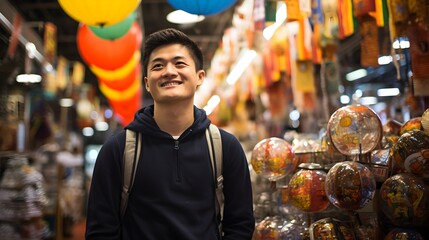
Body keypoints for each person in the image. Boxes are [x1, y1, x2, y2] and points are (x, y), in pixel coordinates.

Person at [85, 28, 255, 239]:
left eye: (180, 63)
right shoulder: (118, 149)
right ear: (147, 82)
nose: (169, 71)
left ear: (200, 77)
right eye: (158, 65)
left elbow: (240, 225)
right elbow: (100, 231)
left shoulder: (225, 147)